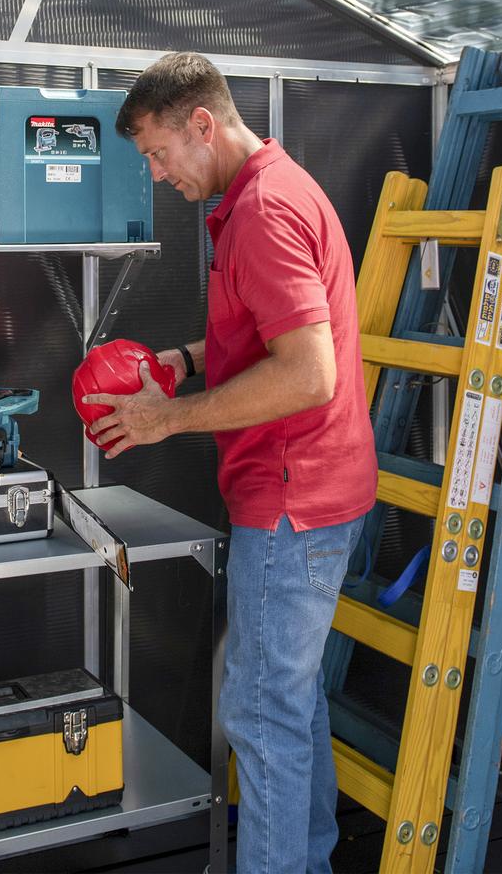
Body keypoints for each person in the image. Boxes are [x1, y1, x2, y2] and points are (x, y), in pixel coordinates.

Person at [81, 52, 377, 874]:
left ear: (202, 124)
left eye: (158, 152)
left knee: (260, 715)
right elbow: (265, 339)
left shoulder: (264, 214)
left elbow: (307, 373)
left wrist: (166, 417)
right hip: (320, 491)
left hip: (291, 502)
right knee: (292, 703)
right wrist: (181, 359)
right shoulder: (270, 191)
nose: (156, 172)